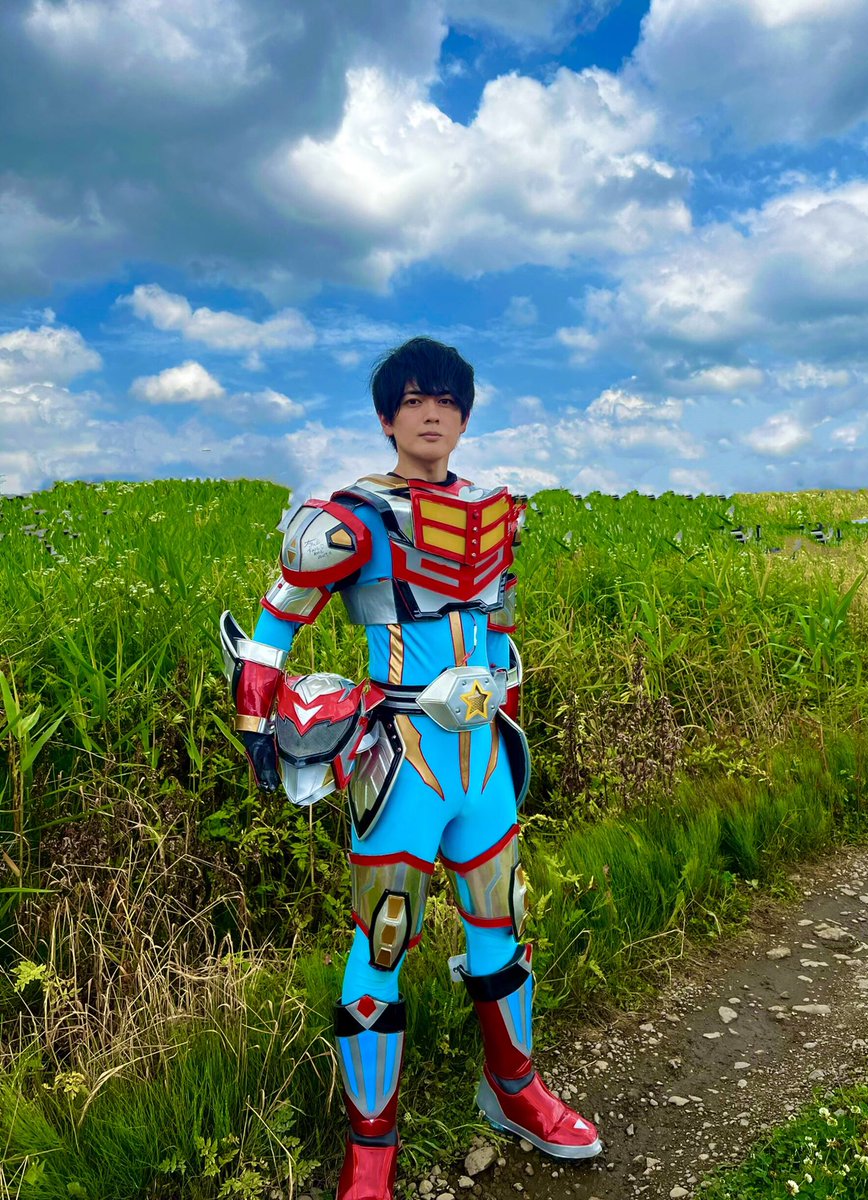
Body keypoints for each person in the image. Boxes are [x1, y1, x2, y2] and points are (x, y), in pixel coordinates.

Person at [220, 337, 602, 1200]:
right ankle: (371, 1153)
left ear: (465, 416)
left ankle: (515, 1091)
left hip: (483, 754)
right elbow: (277, 621)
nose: (432, 414)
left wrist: (507, 693)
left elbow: (499, 624)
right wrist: (258, 721)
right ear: (386, 417)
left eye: (448, 401)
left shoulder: (494, 511)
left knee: (501, 926)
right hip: (402, 756)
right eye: (415, 400)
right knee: (382, 939)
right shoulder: (351, 518)